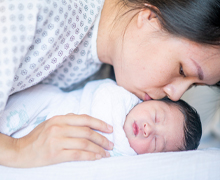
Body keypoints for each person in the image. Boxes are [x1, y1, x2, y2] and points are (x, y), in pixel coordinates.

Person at [0, 0, 219, 167]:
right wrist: (18, 149)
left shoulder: (105, 76)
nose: (174, 95)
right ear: (150, 18)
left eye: (192, 86)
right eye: (183, 70)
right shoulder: (36, 9)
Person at [0, 79, 201, 159]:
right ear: (148, 100)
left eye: (157, 142)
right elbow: (102, 94)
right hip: (51, 105)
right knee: (33, 101)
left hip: (48, 143)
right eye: (156, 116)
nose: (149, 129)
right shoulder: (119, 96)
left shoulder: (125, 158)